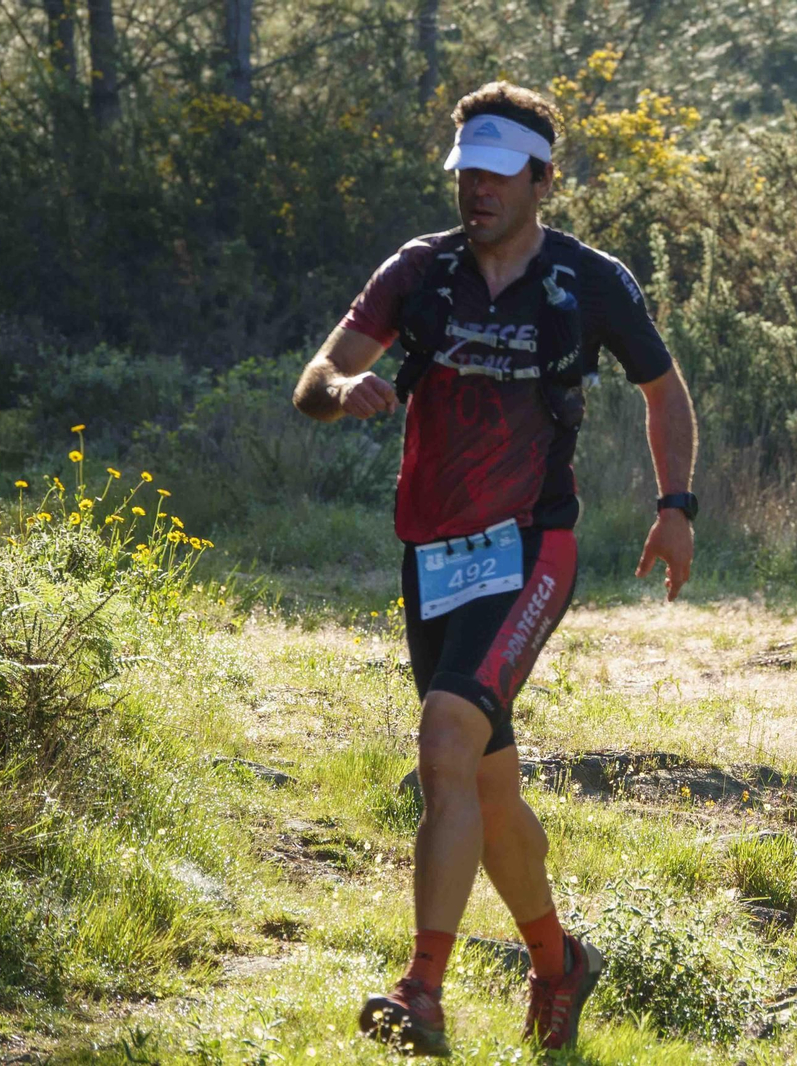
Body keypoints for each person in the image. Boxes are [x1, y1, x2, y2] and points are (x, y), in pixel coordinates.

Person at [292, 81, 698, 1053]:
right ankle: (560, 964)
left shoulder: (590, 281)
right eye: (466, 172)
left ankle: (421, 992)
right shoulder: (419, 271)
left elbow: (665, 392)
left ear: (541, 179)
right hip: (432, 556)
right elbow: (314, 378)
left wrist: (675, 508)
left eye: (497, 175)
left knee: (443, 740)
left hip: (531, 546)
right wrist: (342, 390)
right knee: (488, 789)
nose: (477, 190)